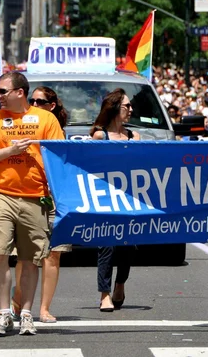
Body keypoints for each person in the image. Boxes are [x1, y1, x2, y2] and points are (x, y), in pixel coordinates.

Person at [0, 71, 65, 336]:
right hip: (1, 195)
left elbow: (59, 156)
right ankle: (3, 313)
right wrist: (9, 152)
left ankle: (26, 313)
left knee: (30, 258)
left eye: (2, 91)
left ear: (19, 93)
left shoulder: (46, 120)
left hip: (36, 197)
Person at [11, 86, 70, 323]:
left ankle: (44, 309)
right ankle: (18, 298)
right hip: (27, 195)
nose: (34, 105)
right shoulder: (20, 126)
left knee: (53, 254)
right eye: (31, 100)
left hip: (55, 196)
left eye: (40, 101)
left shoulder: (58, 132)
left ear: (52, 106)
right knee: (25, 254)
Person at [90, 88, 140, 312]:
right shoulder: (100, 136)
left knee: (127, 245)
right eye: (126, 106)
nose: (131, 110)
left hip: (129, 199)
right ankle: (105, 293)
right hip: (106, 199)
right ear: (114, 108)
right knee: (106, 245)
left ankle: (120, 284)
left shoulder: (134, 137)